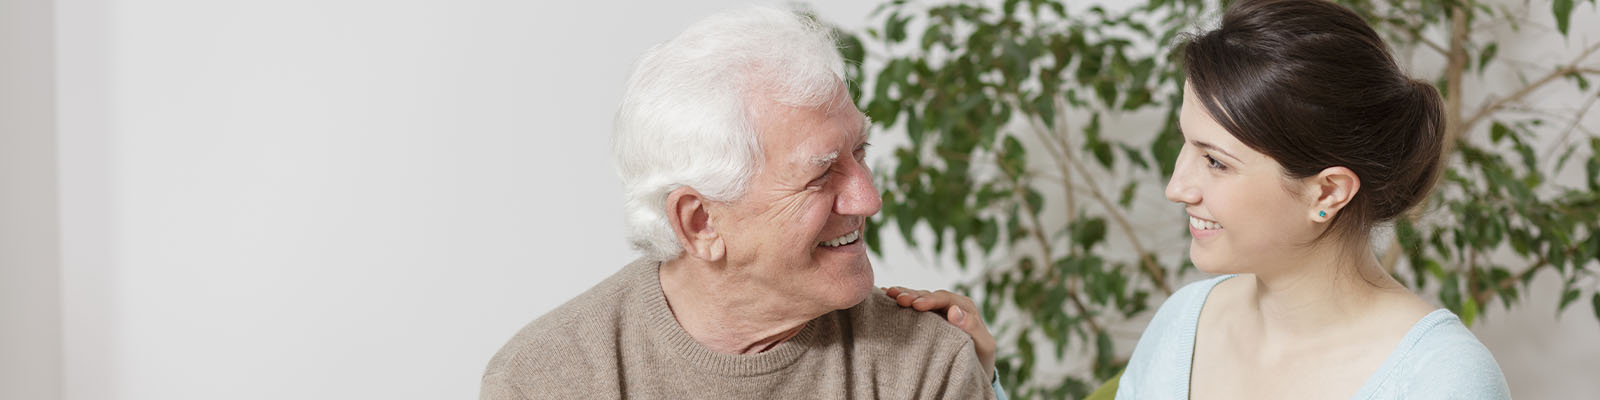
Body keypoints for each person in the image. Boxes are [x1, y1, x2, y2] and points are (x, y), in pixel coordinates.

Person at [887, 0, 1511, 398]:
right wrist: (979, 374)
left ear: (1327, 191)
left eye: (1216, 161)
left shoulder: (1443, 380)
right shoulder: (1189, 319)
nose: (1177, 186)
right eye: (1185, 146)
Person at [479, 6, 1000, 399]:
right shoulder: (546, 378)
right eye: (820, 174)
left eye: (859, 151)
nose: (870, 198)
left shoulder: (925, 363)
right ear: (701, 222)